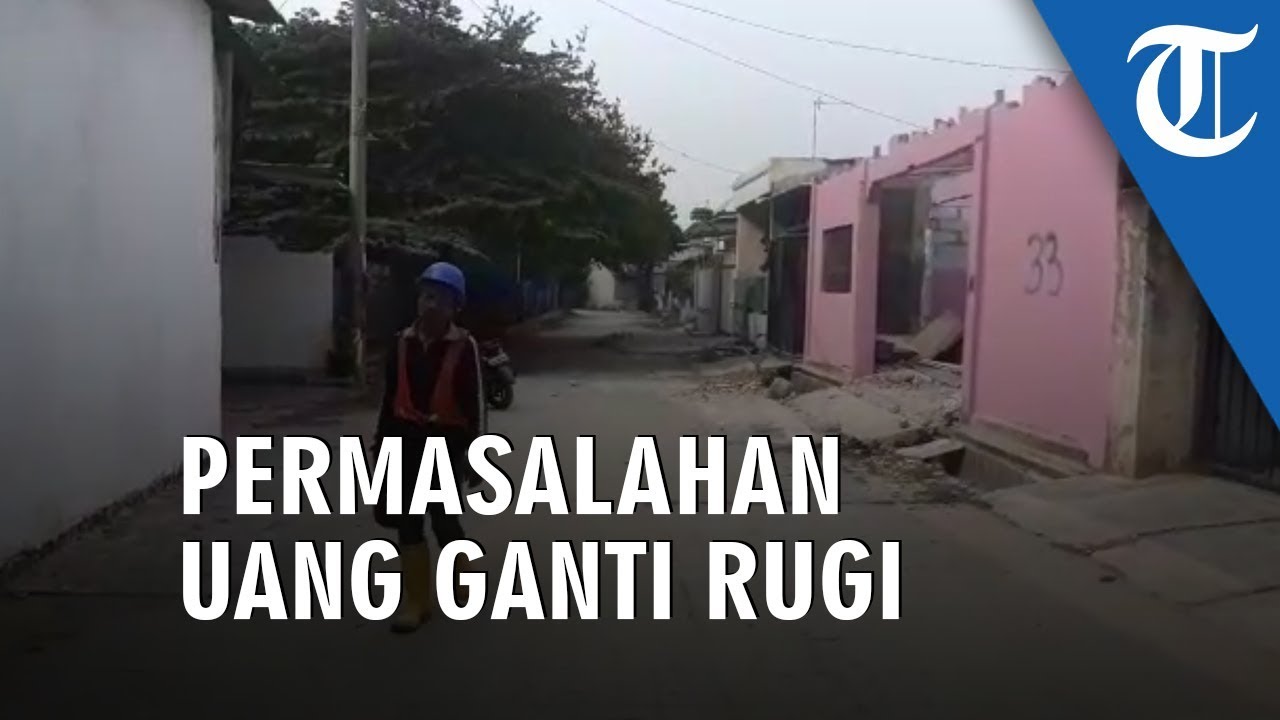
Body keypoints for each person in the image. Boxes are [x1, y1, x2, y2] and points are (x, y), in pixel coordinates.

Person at [371, 261, 487, 634]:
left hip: (446, 446)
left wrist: (475, 456)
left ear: (455, 307)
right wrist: (379, 448)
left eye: (439, 299)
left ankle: (462, 572)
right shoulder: (401, 342)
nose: (430, 305)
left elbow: (475, 404)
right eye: (425, 296)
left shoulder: (464, 346)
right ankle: (416, 602)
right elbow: (390, 399)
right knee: (407, 522)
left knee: (444, 520)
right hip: (404, 443)